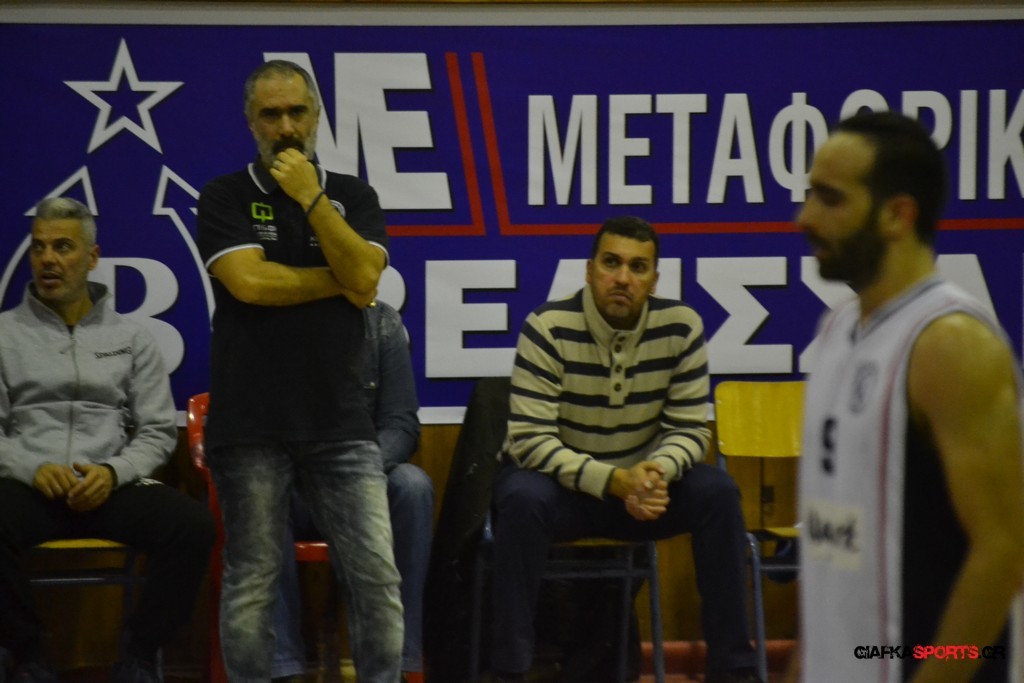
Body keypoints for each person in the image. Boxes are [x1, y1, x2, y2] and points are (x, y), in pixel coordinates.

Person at [794, 110, 1024, 682]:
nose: (806, 217)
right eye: (810, 194)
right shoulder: (835, 329)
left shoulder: (951, 344)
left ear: (897, 214)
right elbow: (831, 541)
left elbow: (1006, 550)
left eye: (831, 198)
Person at [195, 60, 402, 683]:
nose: (285, 127)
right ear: (250, 121)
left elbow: (366, 275)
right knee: (252, 582)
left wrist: (311, 198)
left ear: (316, 117)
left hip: (340, 422)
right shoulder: (224, 195)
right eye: (271, 114)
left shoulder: (353, 196)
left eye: (296, 112)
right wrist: (341, 283)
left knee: (377, 577)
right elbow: (250, 284)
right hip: (250, 424)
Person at [488, 216, 760, 683]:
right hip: (562, 493)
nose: (622, 278)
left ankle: (734, 671)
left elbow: (690, 430)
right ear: (589, 270)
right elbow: (532, 442)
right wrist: (614, 481)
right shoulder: (547, 327)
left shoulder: (682, 327)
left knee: (716, 492)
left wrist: (656, 473)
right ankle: (509, 672)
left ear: (654, 280)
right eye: (611, 263)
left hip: (641, 492)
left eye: (638, 267)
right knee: (520, 496)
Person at [0, 197, 215, 683]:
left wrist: (113, 472)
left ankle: (138, 656)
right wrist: (32, 467)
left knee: (192, 525)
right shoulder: (4, 335)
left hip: (107, 486)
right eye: (38, 247)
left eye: (63, 247)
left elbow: (157, 431)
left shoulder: (132, 338)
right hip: (30, 485)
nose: (48, 259)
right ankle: (29, 657)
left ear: (92, 257)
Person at [270, 300, 432, 683]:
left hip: (364, 480)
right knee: (260, 494)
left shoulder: (381, 322)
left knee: (413, 487)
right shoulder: (265, 319)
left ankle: (395, 663)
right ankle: (281, 667)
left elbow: (401, 424)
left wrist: (356, 473)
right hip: (295, 485)